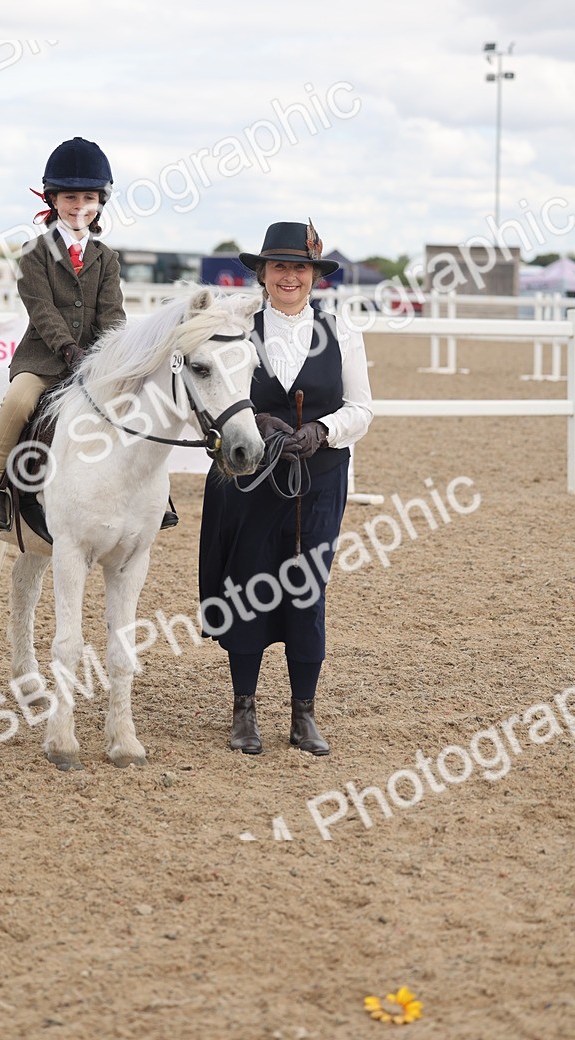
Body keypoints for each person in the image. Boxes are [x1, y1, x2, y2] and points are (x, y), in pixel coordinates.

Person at [198, 220, 373, 756]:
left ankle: (303, 714)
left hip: (317, 481)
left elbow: (362, 407)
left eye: (299, 267)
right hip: (248, 479)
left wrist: (323, 431)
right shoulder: (234, 326)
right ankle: (244, 710)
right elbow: (210, 393)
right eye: (279, 267)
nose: (289, 276)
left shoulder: (342, 330)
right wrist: (260, 422)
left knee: (307, 590)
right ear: (263, 273)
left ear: (314, 275)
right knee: (246, 587)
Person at [0, 136, 126, 535]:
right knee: (19, 400)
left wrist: (113, 354)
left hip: (92, 363)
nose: (79, 207)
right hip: (43, 360)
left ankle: (150, 496)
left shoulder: (106, 258)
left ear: (99, 203)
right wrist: (68, 349)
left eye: (88, 198)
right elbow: (40, 309)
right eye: (70, 199)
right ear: (53, 201)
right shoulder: (34, 252)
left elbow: (111, 314)